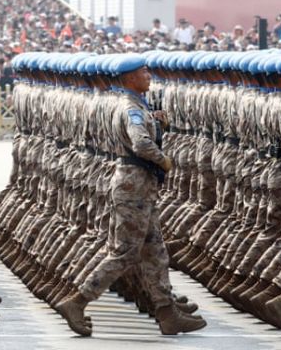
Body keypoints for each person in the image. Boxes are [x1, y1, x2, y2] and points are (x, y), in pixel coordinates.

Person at [55, 54, 207, 336]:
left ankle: (167, 313)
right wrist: (163, 160)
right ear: (129, 78)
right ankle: (77, 301)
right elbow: (140, 143)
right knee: (124, 254)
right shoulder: (131, 108)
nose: (148, 75)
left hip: (139, 187)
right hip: (133, 186)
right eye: (143, 72)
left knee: (157, 253)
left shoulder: (137, 105)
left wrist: (159, 124)